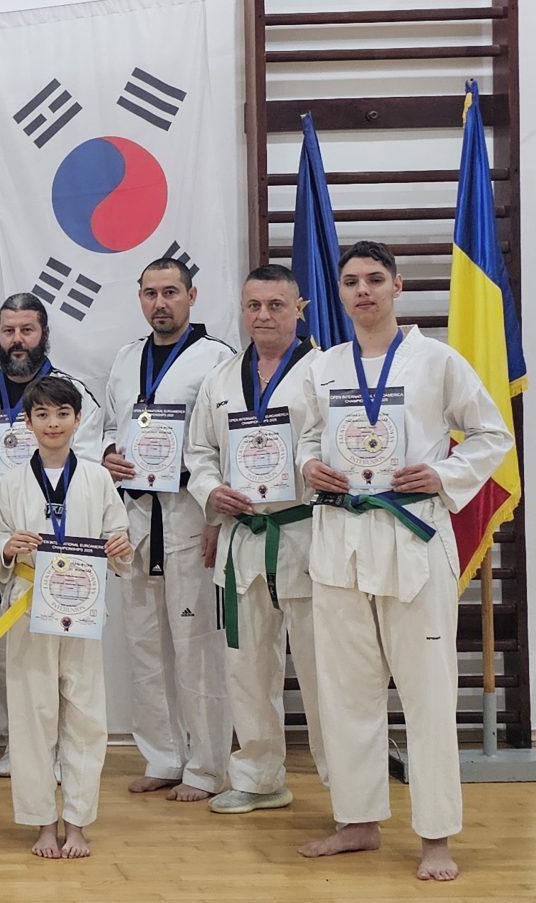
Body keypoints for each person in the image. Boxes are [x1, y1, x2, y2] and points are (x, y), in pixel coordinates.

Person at [295, 241, 511, 881]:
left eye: (374, 279)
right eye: (351, 281)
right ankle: (357, 821)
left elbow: (493, 433)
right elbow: (307, 437)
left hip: (412, 535)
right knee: (345, 692)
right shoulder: (324, 367)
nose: (362, 290)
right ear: (339, 292)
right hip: (340, 536)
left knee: (428, 693)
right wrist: (308, 466)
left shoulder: (436, 360)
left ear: (398, 286)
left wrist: (444, 474)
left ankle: (436, 837)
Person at [186, 265, 328, 815]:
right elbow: (199, 453)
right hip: (243, 536)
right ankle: (259, 778)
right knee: (246, 667)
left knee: (321, 669)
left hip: (304, 531)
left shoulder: (322, 372)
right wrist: (211, 492)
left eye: (275, 305)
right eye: (253, 305)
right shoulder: (222, 378)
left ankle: (345, 788)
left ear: (298, 309)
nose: (263, 315)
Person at [102, 257, 235, 801]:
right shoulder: (125, 358)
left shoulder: (218, 359)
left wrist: (218, 518)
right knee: (143, 644)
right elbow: (109, 427)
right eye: (150, 293)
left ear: (191, 296)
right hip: (135, 515)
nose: (160, 303)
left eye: (171, 292)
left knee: (196, 644)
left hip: (188, 511)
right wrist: (108, 454)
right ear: (140, 298)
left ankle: (207, 765)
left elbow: (226, 443)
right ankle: (163, 755)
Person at [0, 292, 103, 778]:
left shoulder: (75, 395)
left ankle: (67, 748)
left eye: (27, 330)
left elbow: (91, 467)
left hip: (65, 540)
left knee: (67, 652)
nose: (17, 340)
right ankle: (17, 742)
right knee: (9, 650)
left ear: (44, 334)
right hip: (0, 535)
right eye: (8, 331)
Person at [0, 375, 131, 859]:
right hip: (30, 607)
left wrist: (121, 545)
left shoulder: (97, 478)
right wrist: (7, 547)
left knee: (86, 717)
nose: (53, 423)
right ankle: (42, 824)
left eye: (62, 414)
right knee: (32, 716)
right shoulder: (12, 481)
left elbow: (118, 534)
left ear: (78, 419)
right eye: (42, 415)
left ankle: (77, 822)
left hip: (82, 609)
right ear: (27, 423)